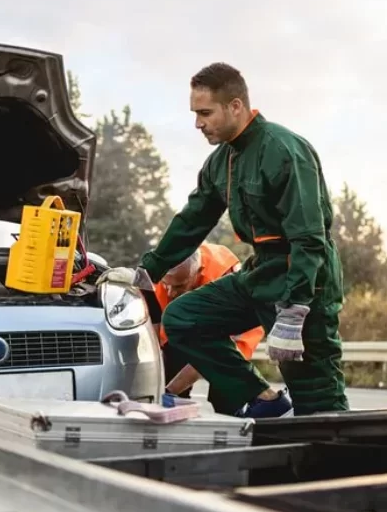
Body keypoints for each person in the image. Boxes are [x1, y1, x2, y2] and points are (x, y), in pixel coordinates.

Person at [99, 62, 349, 418]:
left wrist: (294, 311)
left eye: (205, 113)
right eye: (195, 114)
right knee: (184, 317)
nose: (198, 123)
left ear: (235, 106)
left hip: (304, 279)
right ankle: (262, 398)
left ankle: (345, 462)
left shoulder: (284, 150)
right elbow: (192, 220)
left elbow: (308, 239)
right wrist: (148, 271)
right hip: (261, 274)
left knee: (316, 396)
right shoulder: (221, 163)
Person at [153, 242, 266, 414]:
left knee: (225, 390)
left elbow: (213, 353)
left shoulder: (223, 274)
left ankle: (248, 417)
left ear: (197, 273)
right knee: (169, 365)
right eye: (166, 285)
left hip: (236, 332)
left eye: (179, 286)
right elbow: (153, 340)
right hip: (182, 325)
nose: (170, 293)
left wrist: (169, 391)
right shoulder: (153, 275)